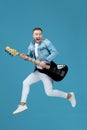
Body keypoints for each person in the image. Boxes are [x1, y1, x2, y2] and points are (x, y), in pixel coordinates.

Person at [13, 27, 76, 114]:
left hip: (47, 71)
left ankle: (69, 96)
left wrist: (45, 61)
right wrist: (24, 56)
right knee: (25, 82)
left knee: (49, 92)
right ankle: (22, 105)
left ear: (42, 35)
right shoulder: (31, 45)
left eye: (40, 34)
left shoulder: (46, 42)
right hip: (38, 71)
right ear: (33, 35)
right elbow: (30, 56)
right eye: (36, 34)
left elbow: (55, 52)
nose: (38, 36)